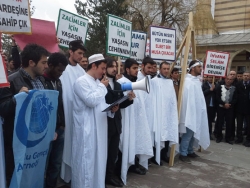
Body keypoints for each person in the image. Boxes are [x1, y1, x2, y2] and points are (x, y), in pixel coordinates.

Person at [0, 44, 49, 186]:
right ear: (32, 63)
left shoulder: (42, 80)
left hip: (37, 138)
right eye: (44, 62)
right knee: (16, 175)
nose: (46, 66)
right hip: (18, 140)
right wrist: (17, 98)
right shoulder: (11, 80)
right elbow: (2, 109)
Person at [71, 54, 118, 188]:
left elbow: (100, 105)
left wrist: (111, 110)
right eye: (102, 69)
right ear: (93, 66)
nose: (104, 72)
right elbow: (91, 101)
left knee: (98, 162)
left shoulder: (98, 83)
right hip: (87, 130)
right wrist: (103, 87)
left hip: (100, 129)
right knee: (86, 163)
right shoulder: (81, 81)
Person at [117, 58, 153, 185]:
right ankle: (119, 171)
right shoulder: (122, 82)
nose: (136, 71)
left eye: (137, 68)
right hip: (124, 121)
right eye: (134, 68)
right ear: (127, 69)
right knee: (122, 146)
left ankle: (131, 165)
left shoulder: (135, 82)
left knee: (131, 144)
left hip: (134, 121)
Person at [59, 40, 86, 182]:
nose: (81, 56)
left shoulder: (82, 71)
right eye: (79, 53)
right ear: (71, 52)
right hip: (66, 112)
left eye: (82, 54)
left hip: (78, 113)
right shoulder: (63, 69)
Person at [105, 57, 134, 187]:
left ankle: (110, 176)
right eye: (111, 66)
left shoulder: (117, 85)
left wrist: (129, 99)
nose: (114, 69)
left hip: (116, 123)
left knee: (113, 152)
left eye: (115, 66)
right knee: (104, 152)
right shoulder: (101, 83)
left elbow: (120, 105)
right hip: (105, 124)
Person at [44, 53, 68, 188]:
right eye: (59, 70)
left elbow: (60, 104)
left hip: (59, 129)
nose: (61, 74)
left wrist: (63, 124)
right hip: (46, 131)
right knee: (44, 164)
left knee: (56, 164)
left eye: (63, 71)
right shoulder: (41, 81)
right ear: (50, 65)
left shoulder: (58, 81)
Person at [179, 60, 210, 163]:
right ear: (193, 68)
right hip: (189, 112)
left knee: (193, 133)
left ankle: (190, 150)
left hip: (196, 112)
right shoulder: (187, 81)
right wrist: (190, 111)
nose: (201, 69)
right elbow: (186, 99)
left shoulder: (196, 81)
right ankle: (183, 153)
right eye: (199, 67)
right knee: (187, 134)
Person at [151, 62, 179, 165]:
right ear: (160, 69)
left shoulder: (170, 82)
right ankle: (155, 156)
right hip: (158, 112)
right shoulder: (154, 81)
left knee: (168, 133)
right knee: (159, 134)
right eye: (164, 69)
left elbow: (172, 98)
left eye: (168, 69)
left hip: (168, 112)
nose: (166, 71)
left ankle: (164, 155)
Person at [215, 75, 237, 144]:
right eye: (227, 79)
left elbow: (235, 98)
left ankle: (228, 138)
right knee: (219, 122)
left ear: (232, 81)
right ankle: (219, 137)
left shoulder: (234, 88)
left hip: (230, 108)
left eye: (230, 79)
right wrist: (223, 104)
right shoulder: (219, 87)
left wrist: (229, 104)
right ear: (225, 79)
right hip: (221, 107)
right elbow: (217, 97)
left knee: (229, 123)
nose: (228, 80)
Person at [235, 72, 250, 146]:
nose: (246, 77)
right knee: (239, 125)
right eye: (245, 75)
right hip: (240, 108)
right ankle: (239, 138)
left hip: (248, 109)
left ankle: (248, 139)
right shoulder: (238, 84)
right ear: (243, 76)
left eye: (247, 76)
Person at [202, 76, 216, 140]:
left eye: (211, 77)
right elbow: (202, 93)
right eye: (209, 77)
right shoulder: (204, 85)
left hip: (213, 106)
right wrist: (209, 90)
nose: (210, 79)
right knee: (205, 121)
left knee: (210, 121)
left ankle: (209, 134)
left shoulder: (216, 84)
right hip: (206, 105)